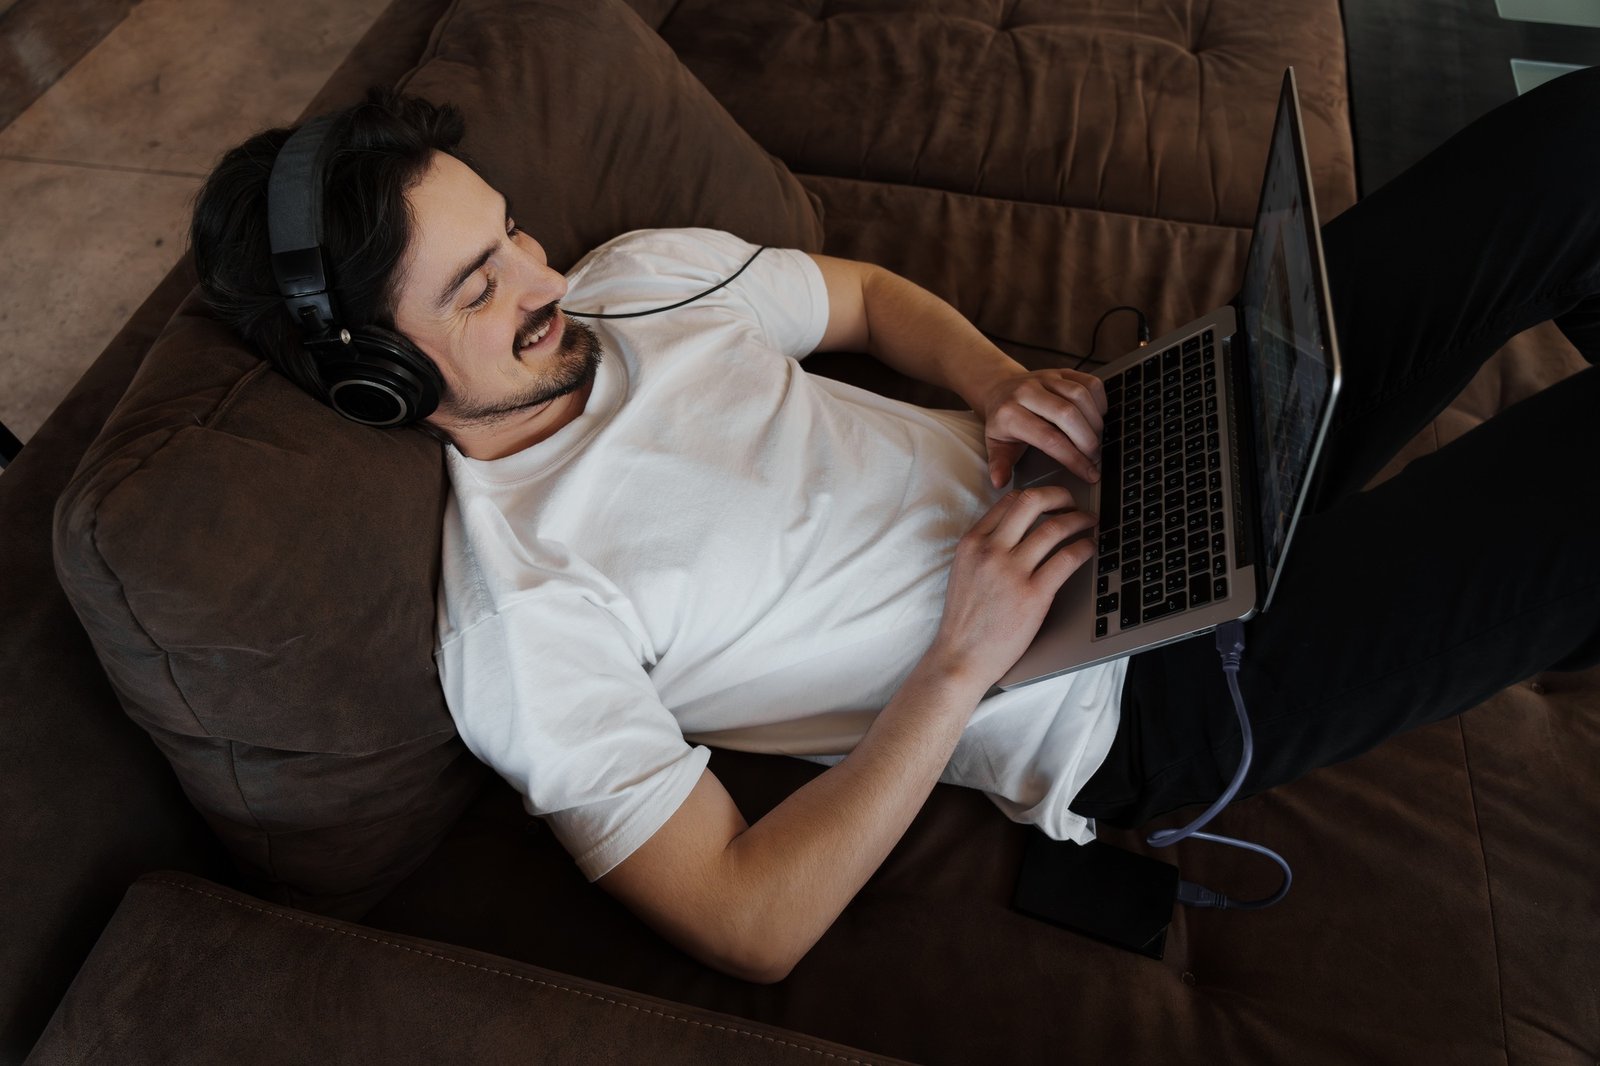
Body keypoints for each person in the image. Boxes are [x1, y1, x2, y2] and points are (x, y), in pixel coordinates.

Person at [190, 71, 1600, 984]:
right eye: (479, 290)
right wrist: (952, 669)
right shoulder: (523, 621)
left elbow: (858, 297)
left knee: (1571, 144)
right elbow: (751, 919)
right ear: (376, 376)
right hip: (1125, 697)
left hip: (1124, 461)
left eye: (513, 237)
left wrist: (1003, 385)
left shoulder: (641, 283)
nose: (543, 280)